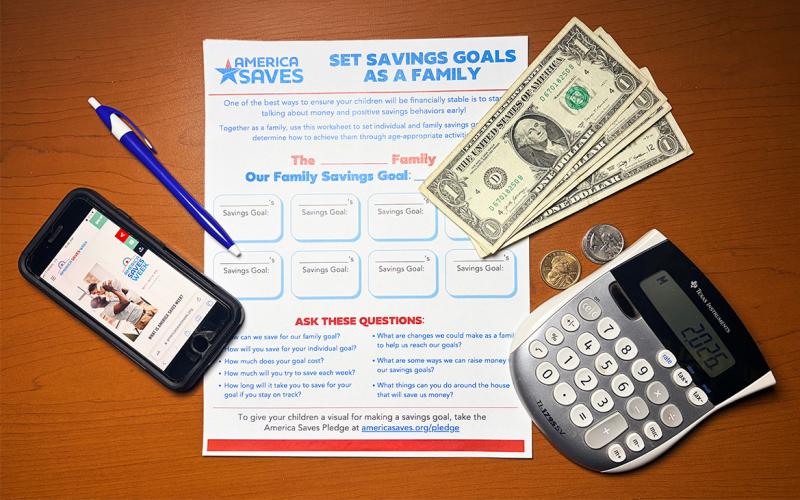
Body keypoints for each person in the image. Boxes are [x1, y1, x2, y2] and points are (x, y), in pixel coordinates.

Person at [89, 281, 155, 331]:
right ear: (98, 306)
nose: (98, 296)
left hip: (146, 310)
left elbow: (125, 292)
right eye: (97, 299)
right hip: (142, 320)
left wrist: (113, 287)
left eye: (96, 294)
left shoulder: (110, 299)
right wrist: (111, 289)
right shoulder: (107, 310)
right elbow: (125, 302)